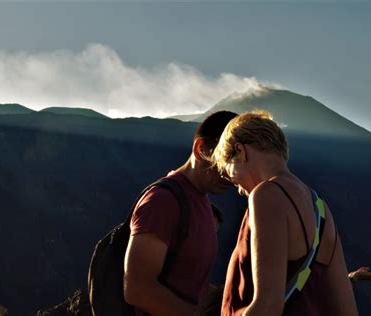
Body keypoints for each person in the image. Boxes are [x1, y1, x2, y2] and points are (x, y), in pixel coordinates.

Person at [211, 111, 359, 315]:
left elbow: (268, 306)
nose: (238, 189)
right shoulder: (321, 210)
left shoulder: (266, 195)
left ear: (241, 152)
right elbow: (347, 310)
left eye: (230, 175)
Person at [123, 111, 237, 316]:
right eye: (224, 161)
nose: (231, 174)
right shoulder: (162, 202)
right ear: (200, 149)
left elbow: (190, 283)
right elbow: (137, 289)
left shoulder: (200, 201)